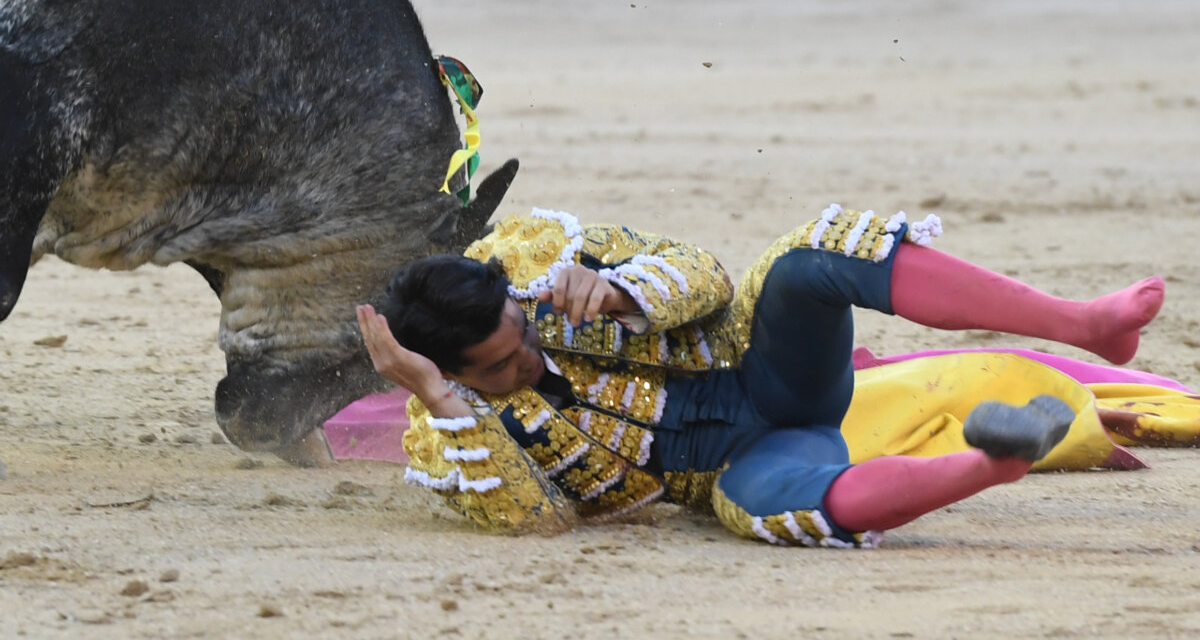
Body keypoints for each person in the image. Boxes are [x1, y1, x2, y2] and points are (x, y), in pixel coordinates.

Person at [355, 204, 1164, 547]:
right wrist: (440, 397)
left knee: (806, 257)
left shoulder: (533, 261)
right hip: (733, 471)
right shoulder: (445, 429)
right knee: (774, 514)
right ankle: (997, 461)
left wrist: (626, 287)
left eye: (520, 336)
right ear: (446, 371)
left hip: (768, 373)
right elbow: (540, 522)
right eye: (499, 368)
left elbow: (702, 272)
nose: (526, 358)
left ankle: (1084, 322)